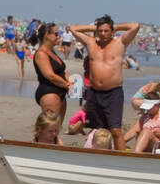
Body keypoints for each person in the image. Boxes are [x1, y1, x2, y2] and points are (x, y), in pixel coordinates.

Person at [69, 15, 142, 152]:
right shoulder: (91, 43)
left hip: (113, 93)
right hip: (94, 92)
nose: (103, 34)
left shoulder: (120, 42)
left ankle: (121, 159)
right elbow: (73, 29)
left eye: (106, 31)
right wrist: (95, 28)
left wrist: (115, 27)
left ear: (112, 31)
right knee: (97, 130)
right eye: (100, 31)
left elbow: (135, 26)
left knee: (115, 130)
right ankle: (100, 156)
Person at [33, 22, 72, 127]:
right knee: (48, 128)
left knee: (56, 129)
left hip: (60, 93)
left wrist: (73, 82)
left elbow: (60, 72)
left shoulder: (51, 51)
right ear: (47, 35)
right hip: (49, 93)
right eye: (56, 34)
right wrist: (67, 85)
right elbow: (50, 75)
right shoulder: (41, 53)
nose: (58, 36)